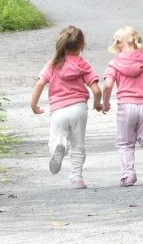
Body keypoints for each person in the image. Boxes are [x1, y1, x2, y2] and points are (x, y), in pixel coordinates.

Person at [29, 26, 102, 189]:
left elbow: (40, 83)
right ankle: (77, 178)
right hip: (79, 109)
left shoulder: (53, 63)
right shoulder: (83, 64)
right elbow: (97, 89)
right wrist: (98, 103)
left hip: (59, 110)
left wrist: (33, 105)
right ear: (82, 46)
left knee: (56, 139)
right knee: (78, 144)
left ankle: (58, 147)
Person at [100, 25, 143, 187]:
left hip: (126, 105)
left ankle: (128, 175)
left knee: (125, 143)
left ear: (117, 44)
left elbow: (108, 85)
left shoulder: (115, 62)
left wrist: (106, 103)